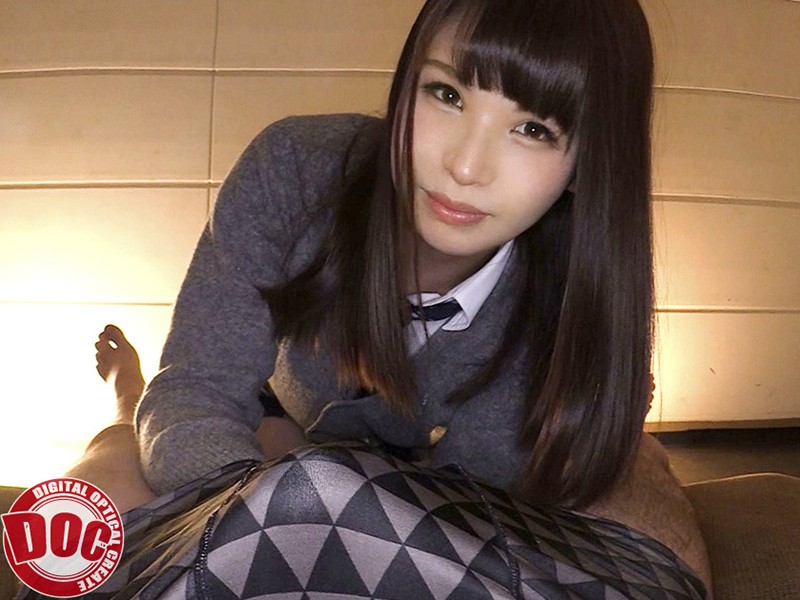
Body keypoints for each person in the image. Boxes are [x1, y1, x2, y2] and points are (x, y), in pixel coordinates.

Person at [25, 0, 714, 597]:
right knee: (75, 526)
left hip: (430, 475)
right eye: (447, 94)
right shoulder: (296, 167)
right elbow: (198, 390)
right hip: (273, 410)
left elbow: (491, 494)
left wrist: (321, 491)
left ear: (588, 161)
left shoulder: (575, 298)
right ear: (406, 82)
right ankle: (125, 396)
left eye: (533, 129)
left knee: (635, 472)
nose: (465, 166)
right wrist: (278, 498)